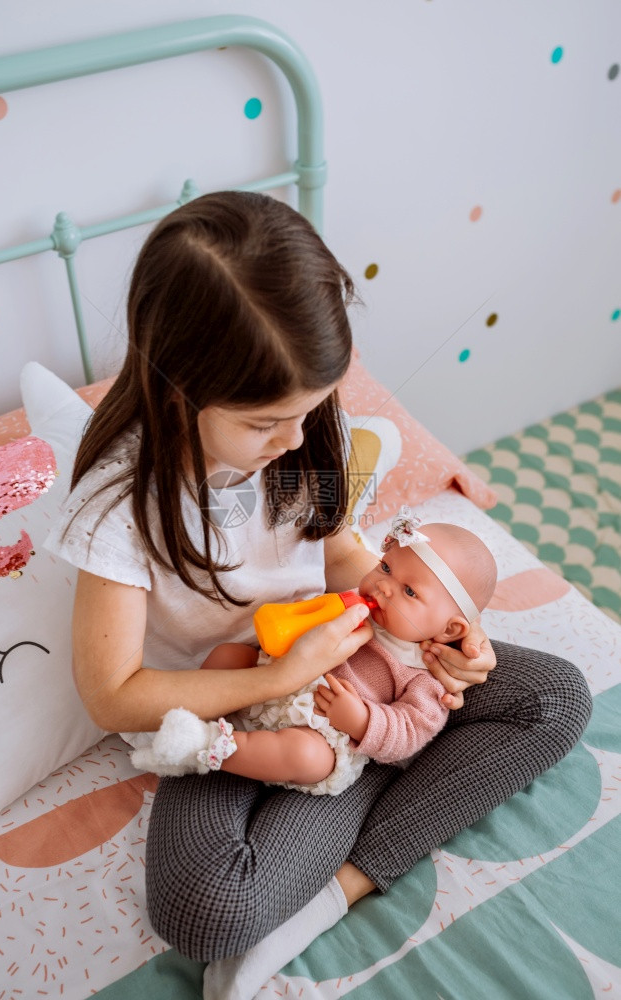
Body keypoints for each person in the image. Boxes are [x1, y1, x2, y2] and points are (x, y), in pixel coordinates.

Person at [45, 191, 592, 1000]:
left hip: (354, 680)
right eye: (268, 422)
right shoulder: (119, 511)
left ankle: (345, 875)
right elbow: (113, 696)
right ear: (178, 393)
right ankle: (387, 765)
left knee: (555, 696)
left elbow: (340, 555)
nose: (296, 439)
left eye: (310, 410)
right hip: (231, 713)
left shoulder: (299, 444)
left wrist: (440, 632)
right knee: (202, 912)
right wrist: (282, 681)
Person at [131, 513, 499, 797]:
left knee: (307, 757)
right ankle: (173, 724)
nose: (383, 586)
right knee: (228, 655)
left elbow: (410, 731)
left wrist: (360, 720)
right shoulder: (357, 603)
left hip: (323, 728)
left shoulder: (427, 673)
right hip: (265, 684)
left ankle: (208, 744)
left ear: (451, 629)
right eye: (385, 566)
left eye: (409, 591)